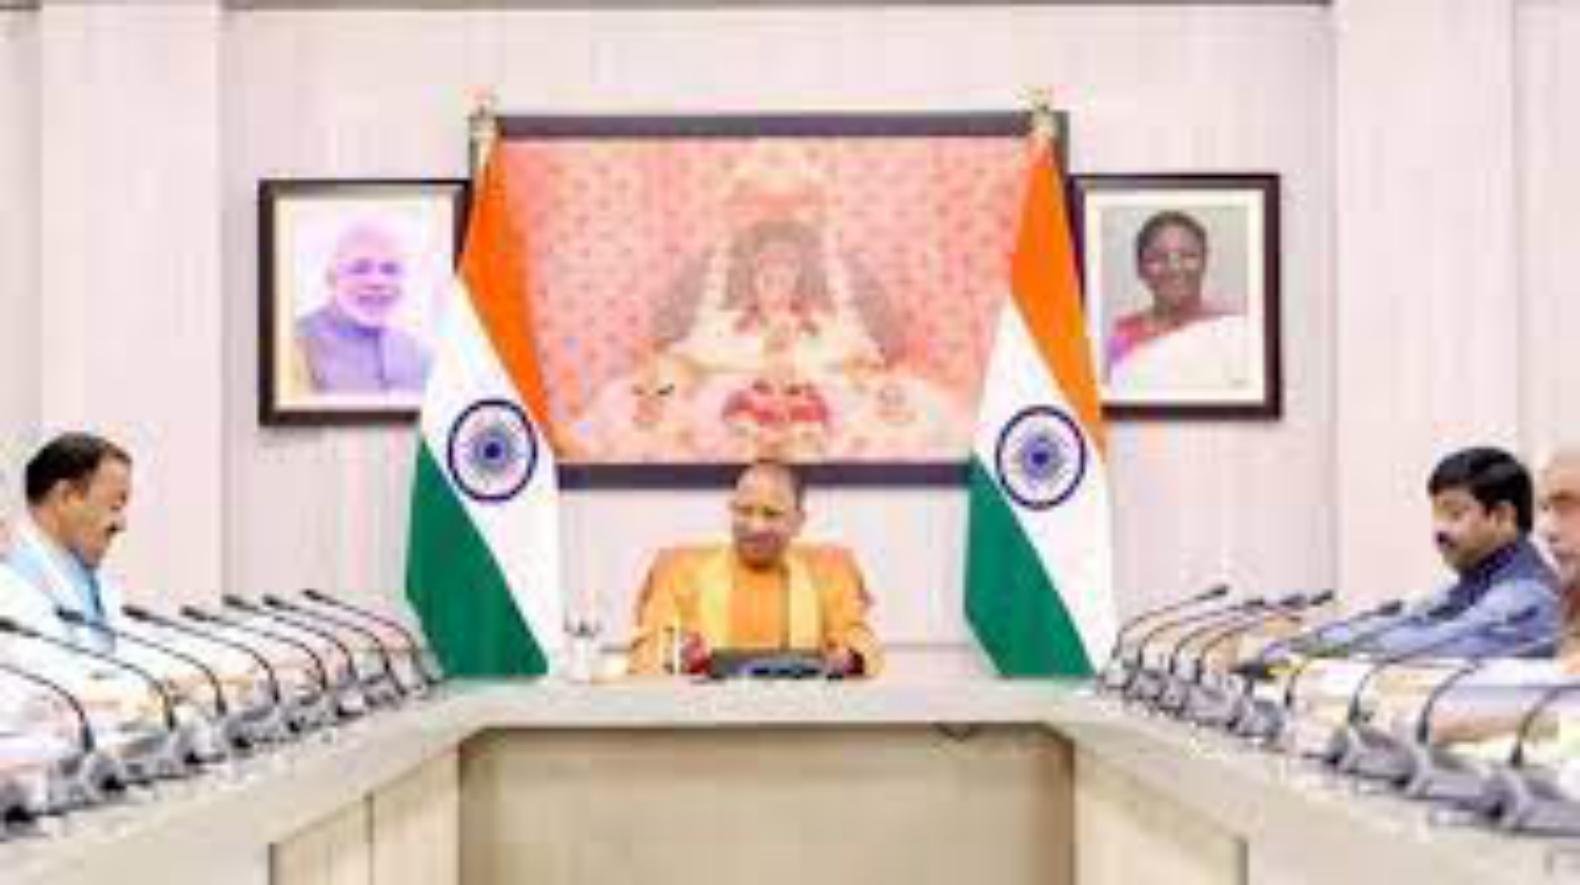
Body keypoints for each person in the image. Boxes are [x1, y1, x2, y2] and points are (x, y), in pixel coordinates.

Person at [627, 459, 881, 677]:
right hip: (706, 712)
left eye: (771, 514)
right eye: (744, 511)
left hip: (803, 711)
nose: (756, 527)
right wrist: (677, 658)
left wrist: (848, 659)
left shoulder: (830, 570)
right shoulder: (680, 569)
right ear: (730, 510)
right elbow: (647, 651)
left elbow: (861, 643)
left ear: (798, 521)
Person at [1345, 447, 1560, 659]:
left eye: (1454, 515)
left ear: (1502, 516)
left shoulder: (1527, 597)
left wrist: (1339, 641)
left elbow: (1430, 645)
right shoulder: (1466, 587)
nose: (1439, 530)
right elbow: (1398, 624)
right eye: (1436, 515)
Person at [0, 433, 132, 650]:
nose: (121, 524)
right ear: (66, 497)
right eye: (114, 506)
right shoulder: (12, 584)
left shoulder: (91, 581)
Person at [294, 222, 430, 394]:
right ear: (331, 278)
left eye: (390, 270)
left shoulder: (418, 354)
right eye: (360, 269)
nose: (377, 282)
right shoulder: (294, 344)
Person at [1105, 210, 1236, 374]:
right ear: (1140, 269)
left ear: (1205, 262)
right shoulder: (1124, 335)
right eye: (1158, 258)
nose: (1174, 268)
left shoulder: (1231, 330)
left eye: (1188, 256)